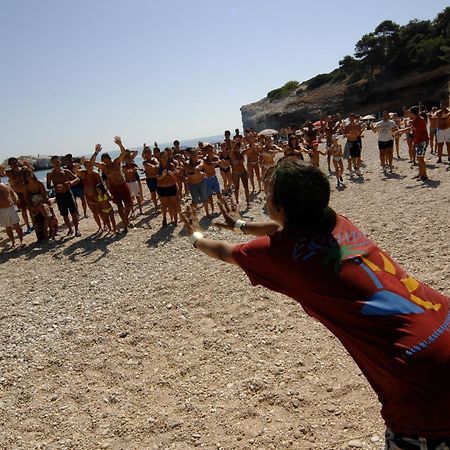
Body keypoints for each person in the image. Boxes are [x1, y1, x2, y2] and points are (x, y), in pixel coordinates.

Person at [180, 160, 450, 450]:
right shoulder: (338, 221)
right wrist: (241, 225)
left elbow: (224, 252)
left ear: (280, 206)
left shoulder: (279, 255)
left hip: (422, 376)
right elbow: (284, 228)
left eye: (269, 196)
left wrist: (195, 234)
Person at [89, 138, 132, 231]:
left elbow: (123, 153)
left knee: (128, 204)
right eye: (104, 161)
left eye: (107, 160)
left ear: (109, 158)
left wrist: (120, 144)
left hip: (123, 185)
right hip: (114, 188)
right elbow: (91, 163)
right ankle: (125, 225)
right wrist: (96, 152)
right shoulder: (104, 167)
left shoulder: (116, 162)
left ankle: (125, 219)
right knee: (120, 206)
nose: (106, 162)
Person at [46, 155, 80, 236]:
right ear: (52, 163)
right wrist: (55, 187)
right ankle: (70, 229)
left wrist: (71, 182)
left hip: (68, 193)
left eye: (58, 162)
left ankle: (77, 229)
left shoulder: (66, 171)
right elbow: (48, 186)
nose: (57, 163)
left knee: (73, 213)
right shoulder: (50, 174)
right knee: (64, 214)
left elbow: (77, 179)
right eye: (55, 162)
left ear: (60, 162)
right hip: (59, 196)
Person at [396, 106, 430, 181]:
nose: (409, 114)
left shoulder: (420, 120)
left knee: (420, 159)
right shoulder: (415, 120)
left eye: (410, 112)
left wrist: (399, 132)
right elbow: (409, 128)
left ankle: (424, 175)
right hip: (418, 140)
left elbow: (409, 129)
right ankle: (421, 174)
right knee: (419, 158)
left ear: (413, 113)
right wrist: (399, 132)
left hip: (422, 141)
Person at [0, 158, 33, 233]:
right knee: (24, 211)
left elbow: (31, 174)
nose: (14, 164)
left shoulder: (23, 170)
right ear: (10, 165)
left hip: (27, 192)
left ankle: (34, 224)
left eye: (15, 162)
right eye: (12, 163)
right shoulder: (9, 173)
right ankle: (28, 226)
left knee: (31, 209)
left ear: (18, 162)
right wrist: (1, 167)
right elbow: (2, 174)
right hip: (18, 193)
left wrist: (28, 166)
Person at [76, 161, 103, 231]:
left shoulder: (96, 174)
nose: (88, 167)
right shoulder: (83, 173)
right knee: (94, 212)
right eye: (86, 165)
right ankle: (100, 226)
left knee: (100, 211)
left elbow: (101, 185)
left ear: (92, 165)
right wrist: (80, 162)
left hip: (96, 195)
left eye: (90, 165)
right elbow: (74, 170)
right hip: (88, 196)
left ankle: (105, 225)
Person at [156, 149, 179, 226]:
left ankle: (175, 220)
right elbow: (157, 178)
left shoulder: (171, 165)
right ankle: (164, 219)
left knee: (173, 204)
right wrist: (162, 175)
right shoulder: (157, 166)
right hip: (162, 187)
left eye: (165, 157)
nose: (164, 158)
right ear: (160, 158)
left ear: (168, 157)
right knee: (164, 205)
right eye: (162, 157)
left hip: (171, 186)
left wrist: (172, 174)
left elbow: (176, 176)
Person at [0, 181, 24, 248]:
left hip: (11, 207)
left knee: (17, 225)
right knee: (8, 228)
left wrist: (16, 199)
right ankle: (13, 242)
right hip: (1, 210)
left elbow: (13, 193)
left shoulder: (6, 185)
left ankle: (21, 241)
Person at [64, 153, 87, 218]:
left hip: (79, 185)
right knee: (74, 201)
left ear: (72, 159)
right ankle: (77, 213)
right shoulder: (65, 169)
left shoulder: (77, 166)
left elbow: (81, 175)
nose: (69, 161)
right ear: (66, 161)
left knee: (83, 199)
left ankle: (85, 213)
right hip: (71, 187)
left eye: (70, 159)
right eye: (68, 160)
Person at [142, 146, 160, 212]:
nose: (148, 154)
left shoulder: (154, 159)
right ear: (145, 155)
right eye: (147, 153)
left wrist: (155, 166)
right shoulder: (144, 162)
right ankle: (156, 207)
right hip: (150, 180)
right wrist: (154, 166)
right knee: (153, 194)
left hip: (156, 178)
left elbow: (158, 165)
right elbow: (154, 167)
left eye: (149, 153)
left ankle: (160, 205)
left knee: (159, 193)